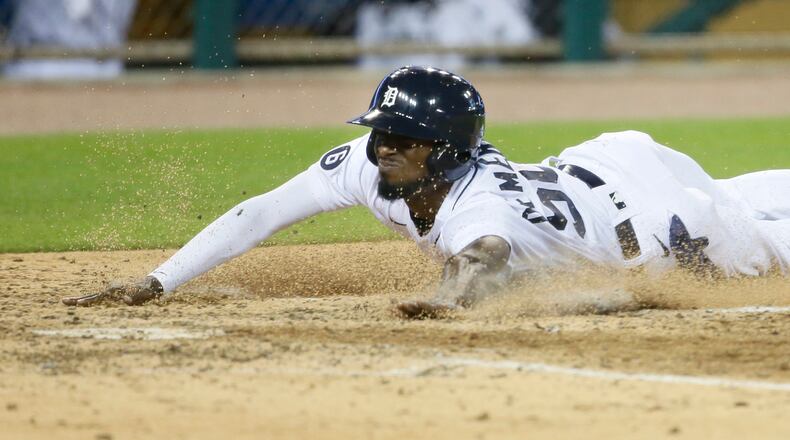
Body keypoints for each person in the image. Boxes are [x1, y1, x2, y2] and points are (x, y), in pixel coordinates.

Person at [63, 66, 790, 318]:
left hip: (675, 225)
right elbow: (261, 214)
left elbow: (482, 256)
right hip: (610, 166)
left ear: (443, 153)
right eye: (380, 132)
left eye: (400, 140)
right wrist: (158, 281)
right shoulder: (368, 164)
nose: (382, 148)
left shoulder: (480, 206)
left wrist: (446, 301)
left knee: (762, 242)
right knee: (746, 192)